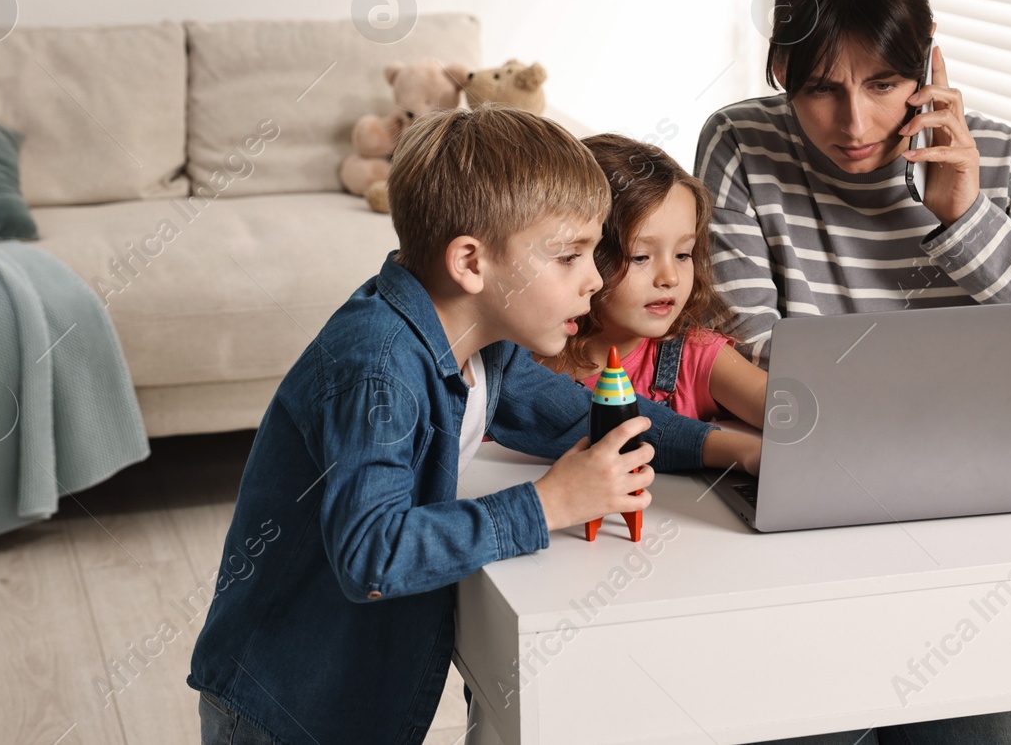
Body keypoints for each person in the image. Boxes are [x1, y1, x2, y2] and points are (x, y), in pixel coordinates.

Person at [695, 0, 1011, 744]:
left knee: (989, 728)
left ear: (930, 66)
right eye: (822, 89)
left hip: (974, 539)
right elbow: (742, 353)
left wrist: (968, 222)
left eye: (885, 82)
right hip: (806, 532)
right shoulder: (741, 145)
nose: (856, 121)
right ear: (779, 74)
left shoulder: (996, 159)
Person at [188, 105, 762, 745]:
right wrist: (549, 503)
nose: (594, 280)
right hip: (286, 705)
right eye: (570, 256)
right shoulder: (377, 370)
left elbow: (586, 413)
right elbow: (372, 554)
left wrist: (726, 447)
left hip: (356, 694)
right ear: (470, 262)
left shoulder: (485, 347)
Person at [541, 133, 767, 428]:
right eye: (640, 257)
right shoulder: (515, 359)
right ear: (578, 254)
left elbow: (796, 414)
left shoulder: (698, 358)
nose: (670, 277)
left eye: (683, 255)